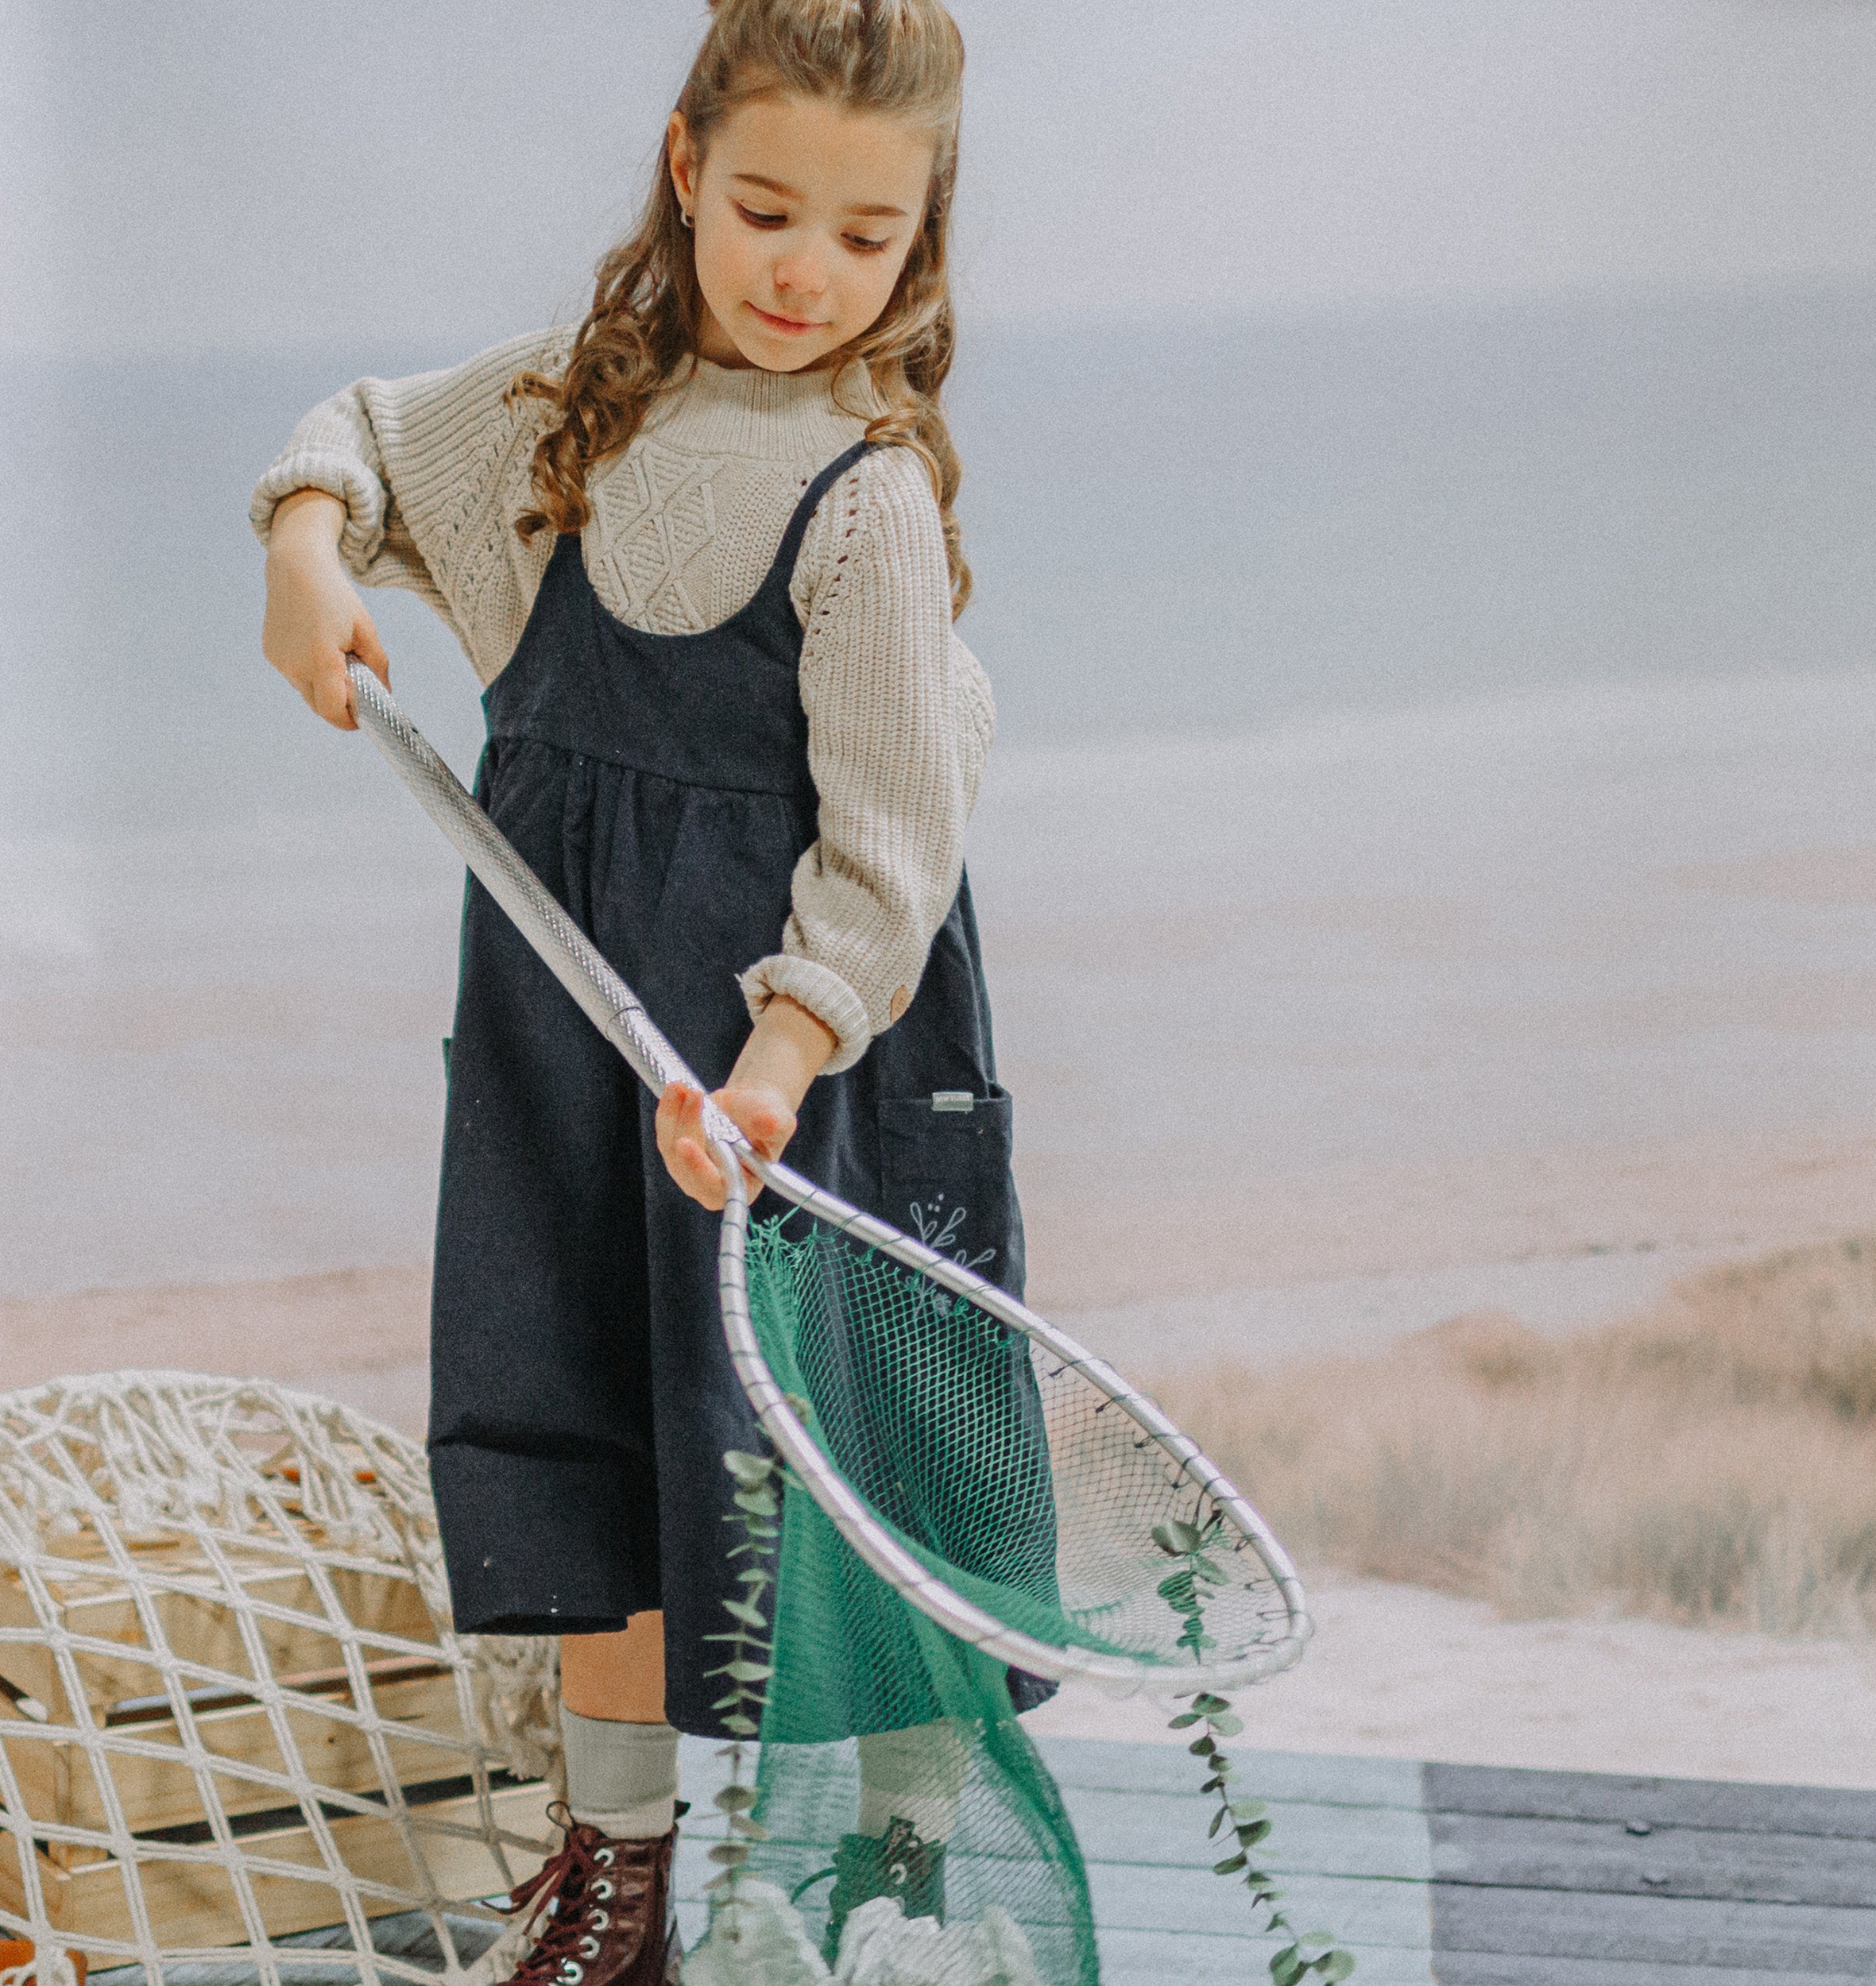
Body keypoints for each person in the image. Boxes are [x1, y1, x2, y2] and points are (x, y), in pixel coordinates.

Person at [252, 2, 1027, 1976]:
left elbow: (885, 859)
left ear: (918, 238)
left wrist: (768, 1070)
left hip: (801, 1053)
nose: (802, 271)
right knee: (583, 1419)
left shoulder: (861, 496)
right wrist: (309, 546)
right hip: (568, 1030)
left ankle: (898, 1862)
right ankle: (617, 1879)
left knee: (835, 1448)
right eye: (764, 207)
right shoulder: (567, 419)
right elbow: (351, 428)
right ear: (683, 168)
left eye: (863, 237)